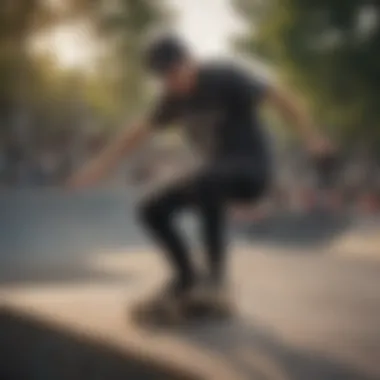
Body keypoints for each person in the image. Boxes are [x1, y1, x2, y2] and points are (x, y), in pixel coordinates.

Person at [66, 35, 332, 306]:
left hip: (252, 170)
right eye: (163, 78)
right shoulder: (172, 99)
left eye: (174, 72)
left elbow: (279, 97)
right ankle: (185, 280)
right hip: (214, 178)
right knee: (151, 209)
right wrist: (99, 166)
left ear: (189, 61)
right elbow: (136, 132)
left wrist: (310, 136)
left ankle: (216, 281)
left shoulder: (225, 77)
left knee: (207, 180)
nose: (172, 82)